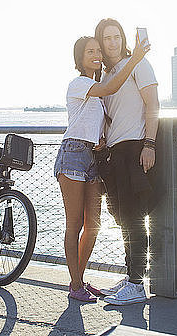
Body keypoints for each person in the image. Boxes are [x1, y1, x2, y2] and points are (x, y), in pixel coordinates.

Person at [54, 35, 149, 302]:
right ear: (80, 59)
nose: (96, 55)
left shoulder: (96, 90)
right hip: (72, 155)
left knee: (92, 226)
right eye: (90, 52)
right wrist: (137, 59)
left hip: (94, 158)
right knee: (74, 224)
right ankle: (75, 286)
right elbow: (111, 88)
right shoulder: (80, 84)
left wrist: (103, 138)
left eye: (98, 51)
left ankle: (79, 281)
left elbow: (98, 118)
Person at [94, 18, 159, 306]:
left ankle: (137, 283)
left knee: (134, 218)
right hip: (115, 153)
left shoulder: (138, 63)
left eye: (116, 36)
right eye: (106, 37)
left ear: (123, 38)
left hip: (136, 148)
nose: (112, 42)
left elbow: (153, 105)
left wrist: (150, 144)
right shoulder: (106, 77)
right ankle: (130, 274)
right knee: (121, 217)